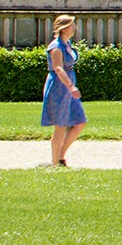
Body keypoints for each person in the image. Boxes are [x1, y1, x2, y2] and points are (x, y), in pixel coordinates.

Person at [41, 14, 87, 167]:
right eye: (71, 25)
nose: (74, 28)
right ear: (63, 27)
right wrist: (70, 86)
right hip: (59, 87)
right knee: (60, 125)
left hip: (68, 86)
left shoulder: (67, 44)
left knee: (80, 122)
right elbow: (58, 68)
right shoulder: (56, 46)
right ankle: (55, 163)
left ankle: (61, 155)